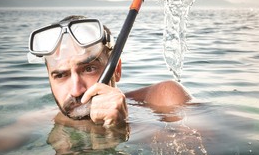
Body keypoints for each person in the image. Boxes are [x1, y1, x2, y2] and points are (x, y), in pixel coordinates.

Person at [27, 15, 191, 128]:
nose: (76, 90)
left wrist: (122, 128)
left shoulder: (165, 99)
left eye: (89, 69)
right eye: (61, 75)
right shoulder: (35, 122)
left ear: (116, 70)